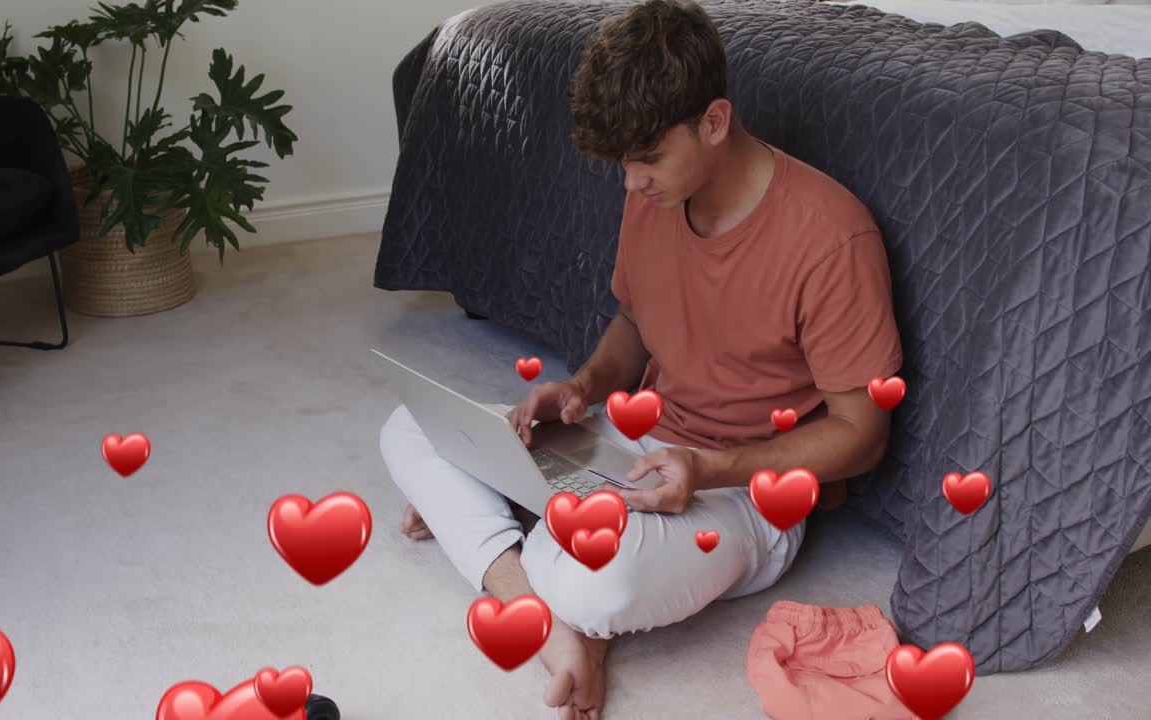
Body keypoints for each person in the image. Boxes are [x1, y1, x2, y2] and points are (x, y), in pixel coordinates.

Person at [378, 1, 903, 717]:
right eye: (622, 164)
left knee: (596, 581)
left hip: (747, 494)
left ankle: (522, 566)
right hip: (631, 444)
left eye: (647, 158)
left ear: (714, 122)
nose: (630, 184)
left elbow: (864, 435)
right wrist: (584, 387)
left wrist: (711, 468)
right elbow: (637, 318)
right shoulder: (657, 192)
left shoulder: (833, 237)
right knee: (409, 428)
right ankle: (564, 633)